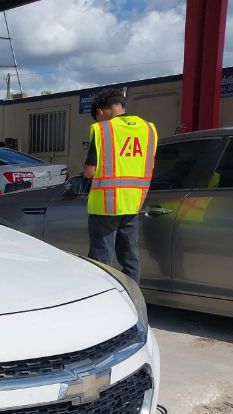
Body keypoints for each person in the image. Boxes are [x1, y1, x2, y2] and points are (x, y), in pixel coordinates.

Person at [83, 88, 157, 284]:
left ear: (100, 112)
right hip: (133, 204)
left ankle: (103, 303)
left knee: (101, 262)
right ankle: (133, 301)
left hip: (105, 205)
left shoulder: (102, 129)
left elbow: (90, 172)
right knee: (130, 258)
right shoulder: (149, 129)